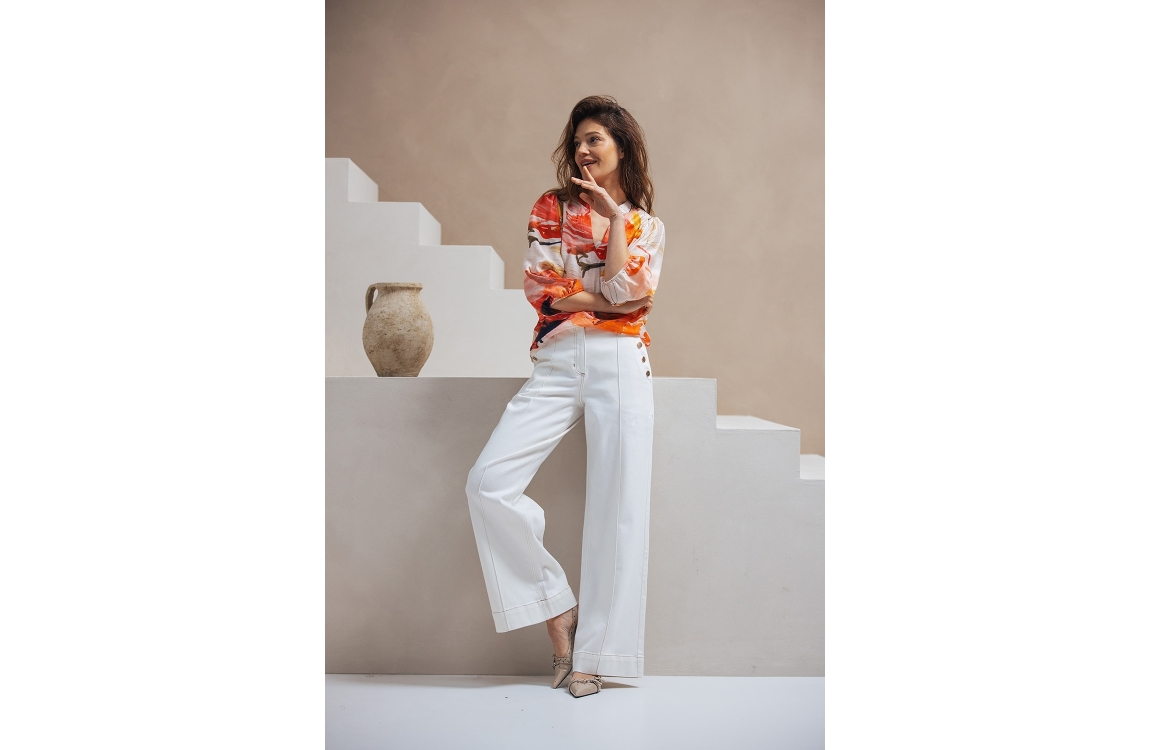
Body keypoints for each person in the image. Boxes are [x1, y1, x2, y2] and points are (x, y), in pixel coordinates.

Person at [465, 95, 665, 699]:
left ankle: (595, 657)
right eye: (577, 140)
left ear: (622, 147)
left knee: (619, 510)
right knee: (488, 482)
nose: (582, 149)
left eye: (594, 139)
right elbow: (544, 289)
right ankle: (557, 608)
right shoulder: (550, 209)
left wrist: (613, 226)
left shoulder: (646, 225)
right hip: (556, 361)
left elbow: (631, 292)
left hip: (621, 364)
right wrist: (610, 298)